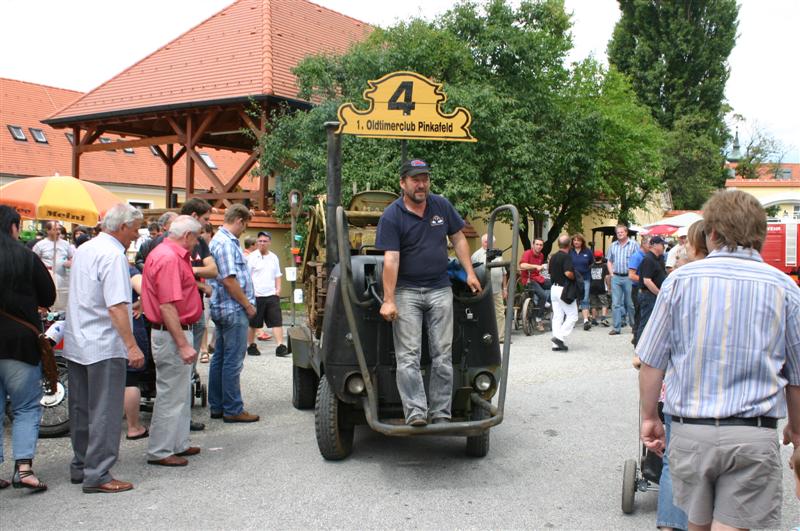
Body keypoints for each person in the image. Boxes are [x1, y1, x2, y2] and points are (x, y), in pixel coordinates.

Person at [637, 190, 800, 530]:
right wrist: (797, 433)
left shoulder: (679, 281)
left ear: (710, 234)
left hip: (690, 431)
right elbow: (796, 376)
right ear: (761, 236)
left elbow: (652, 360)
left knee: (695, 524)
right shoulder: (785, 288)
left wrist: (650, 416)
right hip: (752, 435)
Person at [376, 158, 480, 427]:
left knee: (443, 354)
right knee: (408, 354)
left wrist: (469, 272)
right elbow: (391, 259)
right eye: (415, 179)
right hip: (406, 290)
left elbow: (458, 237)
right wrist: (388, 300)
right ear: (403, 183)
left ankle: (441, 412)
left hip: (439, 288)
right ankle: (416, 412)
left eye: (425, 179)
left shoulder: (441, 205)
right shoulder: (392, 215)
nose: (421, 184)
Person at [63, 203, 145, 494]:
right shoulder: (113, 255)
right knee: (105, 411)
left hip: (78, 341)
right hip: (103, 344)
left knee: (81, 408)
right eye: (135, 230)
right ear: (122, 227)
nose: (136, 236)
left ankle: (81, 464)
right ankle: (98, 473)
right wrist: (132, 345)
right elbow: (116, 306)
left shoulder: (85, 248)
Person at [0, 206, 56, 492]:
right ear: (12, 227)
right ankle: (24, 469)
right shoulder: (26, 256)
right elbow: (49, 295)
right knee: (24, 408)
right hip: (20, 343)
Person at [142, 215, 203, 466]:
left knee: (179, 392)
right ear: (187, 235)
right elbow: (167, 306)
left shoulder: (169, 254)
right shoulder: (169, 258)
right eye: (197, 237)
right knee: (170, 393)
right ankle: (161, 450)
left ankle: (177, 443)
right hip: (171, 334)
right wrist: (183, 343)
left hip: (172, 331)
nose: (197, 243)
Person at [208, 203, 259, 423]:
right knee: (232, 360)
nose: (243, 231)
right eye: (244, 226)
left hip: (222, 308)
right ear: (239, 220)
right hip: (233, 309)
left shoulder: (218, 240)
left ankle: (218, 405)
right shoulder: (227, 244)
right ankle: (232, 408)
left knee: (219, 357)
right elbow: (229, 280)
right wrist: (247, 305)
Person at [179, 199, 218, 431]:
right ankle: (177, 421)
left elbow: (212, 270)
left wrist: (186, 270)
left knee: (189, 369)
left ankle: (183, 418)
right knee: (177, 370)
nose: (207, 225)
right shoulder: (168, 241)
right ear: (194, 215)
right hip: (175, 314)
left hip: (196, 312)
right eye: (205, 219)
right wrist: (199, 282)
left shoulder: (201, 243)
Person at [246, 231, 287, 357]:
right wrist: (250, 293)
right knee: (253, 323)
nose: (262, 243)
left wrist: (278, 289)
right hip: (256, 295)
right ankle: (251, 345)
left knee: (276, 321)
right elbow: (246, 276)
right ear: (257, 242)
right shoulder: (251, 257)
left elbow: (277, 275)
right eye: (260, 241)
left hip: (271, 294)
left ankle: (280, 346)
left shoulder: (274, 257)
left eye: (265, 241)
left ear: (269, 242)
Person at [124, 265, 150, 441]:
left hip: (100, 330)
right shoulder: (127, 269)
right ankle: (133, 426)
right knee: (130, 379)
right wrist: (140, 303)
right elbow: (144, 288)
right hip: (129, 326)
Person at [472, 234, 508, 343]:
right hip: (483, 289)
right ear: (482, 242)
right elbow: (473, 272)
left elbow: (504, 273)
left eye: (490, 242)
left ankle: (500, 337)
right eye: (486, 241)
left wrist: (505, 288)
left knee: (500, 313)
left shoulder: (497, 255)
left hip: (497, 289)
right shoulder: (476, 255)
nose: (488, 244)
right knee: (484, 313)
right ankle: (484, 336)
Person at [32, 220, 74, 311]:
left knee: (62, 302)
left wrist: (69, 263)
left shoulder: (66, 244)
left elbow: (72, 258)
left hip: (63, 279)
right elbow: (34, 261)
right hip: (47, 277)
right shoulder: (40, 245)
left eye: (59, 229)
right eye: (55, 229)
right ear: (48, 230)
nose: (58, 232)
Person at [634, 236, 666, 347]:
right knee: (646, 322)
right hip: (648, 295)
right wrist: (659, 293)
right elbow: (647, 281)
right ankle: (639, 347)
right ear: (655, 245)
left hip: (654, 295)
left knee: (652, 322)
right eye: (662, 244)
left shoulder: (659, 258)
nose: (664, 247)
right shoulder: (648, 259)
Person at [606, 225, 639, 336]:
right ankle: (616, 328)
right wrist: (611, 274)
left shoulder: (634, 245)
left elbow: (639, 260)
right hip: (616, 276)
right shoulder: (612, 246)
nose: (619, 234)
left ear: (626, 233)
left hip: (629, 277)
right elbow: (609, 261)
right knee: (615, 304)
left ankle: (634, 326)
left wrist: (635, 274)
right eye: (618, 232)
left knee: (630, 303)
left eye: (621, 232)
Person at [548, 235, 578, 351]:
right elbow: (567, 273)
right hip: (563, 289)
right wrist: (574, 276)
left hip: (554, 289)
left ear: (558, 244)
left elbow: (550, 272)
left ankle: (555, 345)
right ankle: (559, 338)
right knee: (573, 315)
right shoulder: (567, 257)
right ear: (569, 245)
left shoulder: (553, 257)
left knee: (557, 316)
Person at [518, 238, 550, 332]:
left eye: (541, 245)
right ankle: (538, 319)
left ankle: (546, 303)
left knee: (553, 283)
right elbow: (522, 265)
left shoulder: (541, 255)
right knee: (543, 295)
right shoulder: (527, 253)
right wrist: (535, 266)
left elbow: (539, 271)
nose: (539, 246)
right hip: (528, 280)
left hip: (538, 278)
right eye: (537, 244)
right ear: (533, 245)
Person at [569, 233, 593, 331]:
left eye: (578, 240)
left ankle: (586, 320)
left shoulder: (588, 251)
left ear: (582, 242)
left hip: (585, 278)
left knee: (585, 299)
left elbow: (591, 263)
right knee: (573, 299)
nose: (576, 242)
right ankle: (573, 320)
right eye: (574, 240)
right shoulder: (569, 251)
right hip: (573, 279)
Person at [588, 250, 610, 327]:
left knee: (593, 304)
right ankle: (603, 318)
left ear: (594, 257)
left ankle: (594, 319)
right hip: (601, 287)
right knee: (604, 303)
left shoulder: (590, 266)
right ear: (602, 257)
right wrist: (609, 287)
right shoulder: (604, 266)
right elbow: (607, 277)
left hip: (592, 287)